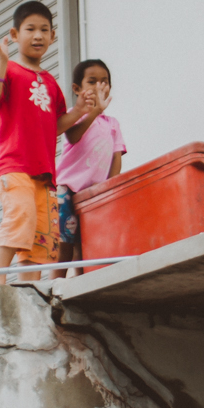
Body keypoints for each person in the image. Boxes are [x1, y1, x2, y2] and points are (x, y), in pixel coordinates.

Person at [0, 1, 97, 281]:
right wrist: (1, 61)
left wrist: (79, 111)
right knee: (21, 214)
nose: (38, 36)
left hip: (44, 174)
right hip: (13, 165)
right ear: (14, 34)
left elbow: (54, 126)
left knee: (42, 236)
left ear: (53, 36)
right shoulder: (9, 70)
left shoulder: (51, 84)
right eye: (30, 29)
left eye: (44, 30)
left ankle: (29, 289)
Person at [55, 58, 126, 268]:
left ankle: (78, 278)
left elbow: (116, 158)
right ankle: (56, 280)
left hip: (94, 193)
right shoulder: (75, 114)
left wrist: (109, 189)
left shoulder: (113, 124)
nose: (98, 86)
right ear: (77, 89)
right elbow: (73, 136)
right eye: (92, 82)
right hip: (68, 189)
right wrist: (94, 110)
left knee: (84, 244)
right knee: (65, 242)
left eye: (104, 82)